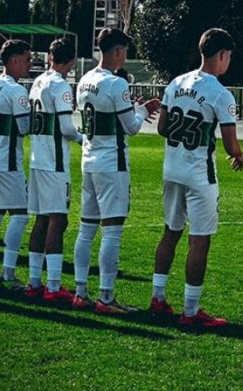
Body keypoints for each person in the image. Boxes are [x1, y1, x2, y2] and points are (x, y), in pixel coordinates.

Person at [151, 28, 243, 328]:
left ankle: (158, 298)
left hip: (172, 169)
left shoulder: (176, 82)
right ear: (222, 55)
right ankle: (190, 311)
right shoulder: (220, 92)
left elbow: (162, 128)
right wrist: (238, 156)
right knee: (199, 241)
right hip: (198, 173)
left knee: (170, 232)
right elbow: (230, 144)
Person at [72, 29, 160, 314]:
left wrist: (132, 109)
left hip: (89, 158)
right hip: (112, 162)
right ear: (118, 51)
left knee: (86, 230)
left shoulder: (85, 80)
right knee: (112, 231)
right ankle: (106, 297)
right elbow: (132, 128)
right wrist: (144, 110)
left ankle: (80, 291)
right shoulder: (115, 84)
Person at [24, 38, 83, 303]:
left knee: (41, 219)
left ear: (50, 57)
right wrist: (86, 139)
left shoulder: (38, 81)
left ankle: (35, 281)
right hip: (54, 161)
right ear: (71, 62)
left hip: (38, 157)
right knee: (58, 219)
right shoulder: (60, 85)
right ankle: (54, 285)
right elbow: (67, 129)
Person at [0, 40, 33, 291]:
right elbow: (25, 128)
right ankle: (9, 274)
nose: (30, 63)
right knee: (20, 215)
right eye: (27, 58)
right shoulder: (16, 91)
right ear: (14, 60)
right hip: (7, 159)